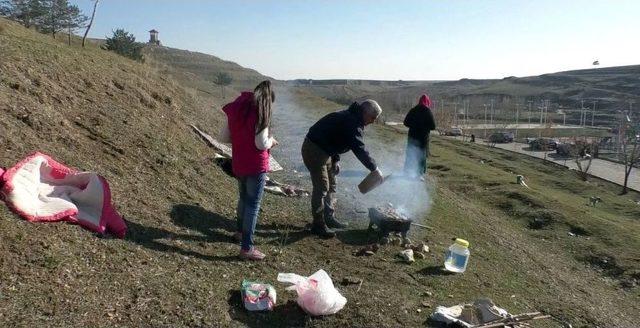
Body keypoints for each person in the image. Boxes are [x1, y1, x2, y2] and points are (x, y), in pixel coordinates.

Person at [302, 99, 383, 238]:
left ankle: (329, 218)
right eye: (373, 118)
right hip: (314, 149)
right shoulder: (351, 121)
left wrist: (335, 159)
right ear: (365, 112)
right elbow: (358, 147)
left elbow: (337, 139)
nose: (373, 121)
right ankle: (318, 225)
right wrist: (374, 168)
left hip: (326, 151)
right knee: (322, 187)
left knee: (332, 184)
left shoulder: (355, 119)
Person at [220, 80, 278, 261]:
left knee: (243, 199)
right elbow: (261, 143)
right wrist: (272, 141)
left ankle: (239, 232)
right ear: (268, 100)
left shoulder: (239, 108)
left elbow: (223, 136)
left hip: (239, 162)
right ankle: (247, 248)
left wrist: (241, 138)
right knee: (253, 205)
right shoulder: (261, 112)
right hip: (255, 166)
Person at [403, 94, 436, 179]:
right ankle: (419, 174)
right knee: (421, 155)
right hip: (423, 138)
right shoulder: (428, 111)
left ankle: (407, 172)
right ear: (427, 102)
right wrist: (424, 127)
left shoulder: (413, 110)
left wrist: (414, 125)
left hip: (412, 137)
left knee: (411, 154)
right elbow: (433, 126)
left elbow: (405, 122)